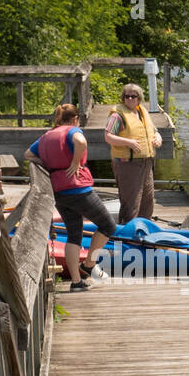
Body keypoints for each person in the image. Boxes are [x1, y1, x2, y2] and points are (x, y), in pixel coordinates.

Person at [24, 104, 116, 291]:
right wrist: (74, 163)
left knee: (74, 234)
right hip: (78, 190)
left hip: (59, 192)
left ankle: (76, 282)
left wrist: (50, 166)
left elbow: (28, 155)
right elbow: (81, 142)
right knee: (108, 225)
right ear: (75, 119)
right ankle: (89, 265)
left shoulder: (46, 136)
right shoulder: (72, 130)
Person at [103, 84, 162, 224]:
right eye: (126, 96)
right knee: (131, 203)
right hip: (127, 164)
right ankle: (126, 236)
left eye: (133, 96)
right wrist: (128, 142)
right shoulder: (117, 115)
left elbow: (155, 130)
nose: (129, 99)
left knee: (147, 201)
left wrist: (158, 137)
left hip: (146, 163)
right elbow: (108, 136)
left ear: (139, 98)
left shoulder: (142, 112)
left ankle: (143, 232)